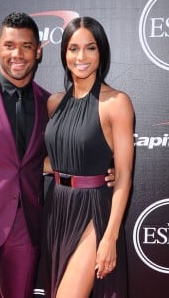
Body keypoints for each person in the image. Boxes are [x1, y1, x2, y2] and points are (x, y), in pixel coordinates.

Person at [0, 12, 115, 298]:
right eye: (9, 45)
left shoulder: (50, 102)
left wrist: (107, 169)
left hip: (28, 229)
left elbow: (61, 154)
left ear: (38, 51)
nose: (17, 54)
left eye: (26, 46)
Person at [34, 17, 134, 298]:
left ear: (101, 52)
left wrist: (110, 237)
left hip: (93, 211)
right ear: (64, 54)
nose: (81, 57)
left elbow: (124, 176)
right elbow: (55, 158)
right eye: (73, 48)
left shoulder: (116, 103)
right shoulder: (55, 103)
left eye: (90, 48)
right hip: (57, 209)